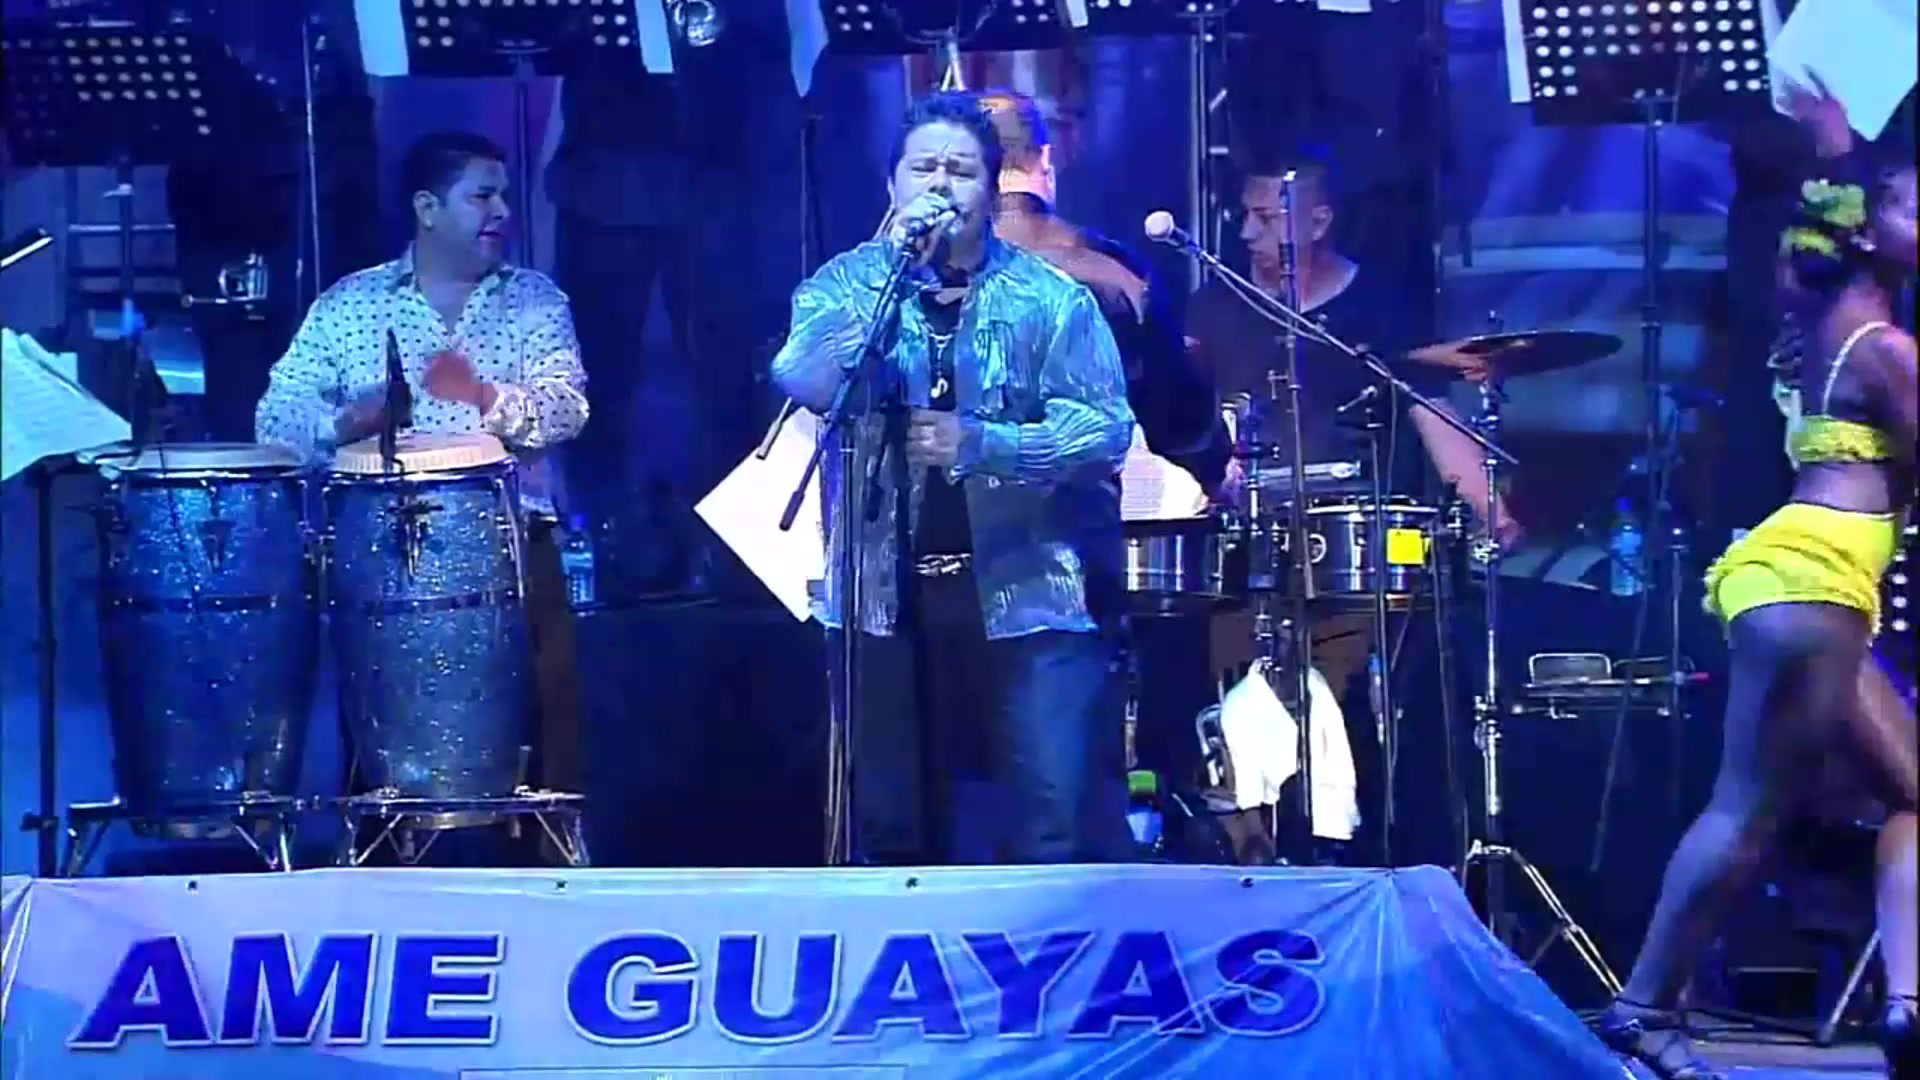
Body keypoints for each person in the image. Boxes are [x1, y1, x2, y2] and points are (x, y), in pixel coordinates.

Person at [1593, 152, 1917, 1079]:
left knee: (1908, 789)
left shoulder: (1826, 330)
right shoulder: (1887, 350)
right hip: (1813, 583)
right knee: (1747, 810)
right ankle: (1641, 1009)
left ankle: (1907, 1007)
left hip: (1801, 579)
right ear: (1867, 233)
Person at [771, 92, 1137, 866]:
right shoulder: (845, 285)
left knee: (1050, 820)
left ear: (992, 188)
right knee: (890, 828)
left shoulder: (1049, 298)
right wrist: (889, 267)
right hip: (883, 600)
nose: (941, 185)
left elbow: (1104, 430)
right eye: (924, 168)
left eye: (961, 170)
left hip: (1025, 595)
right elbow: (803, 375)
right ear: (893, 184)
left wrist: (988, 444)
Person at [1182, 148, 1514, 863]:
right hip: (1247, 541)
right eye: (1245, 215)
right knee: (1229, 699)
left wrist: (1489, 505)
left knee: (1355, 700)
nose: (1246, 232)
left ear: (1319, 220)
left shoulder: (1378, 311)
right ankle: (1248, 850)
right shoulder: (1216, 307)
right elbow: (1178, 423)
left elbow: (1431, 412)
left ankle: (1357, 850)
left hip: (1355, 544)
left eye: (1265, 217)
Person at [255, 130, 590, 811]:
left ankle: (544, 853)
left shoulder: (534, 300)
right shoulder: (350, 305)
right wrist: (345, 422)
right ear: (427, 208)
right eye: (482, 196)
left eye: (503, 196)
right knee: (384, 722)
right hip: (381, 551)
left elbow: (567, 409)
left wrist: (485, 397)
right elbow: (275, 422)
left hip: (513, 540)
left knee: (542, 719)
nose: (502, 211)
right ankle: (381, 847)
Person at [975, 89, 1229, 493]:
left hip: (955, 521)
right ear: (1045, 159)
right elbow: (1181, 428)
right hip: (1078, 518)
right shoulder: (1115, 271)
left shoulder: (923, 275)